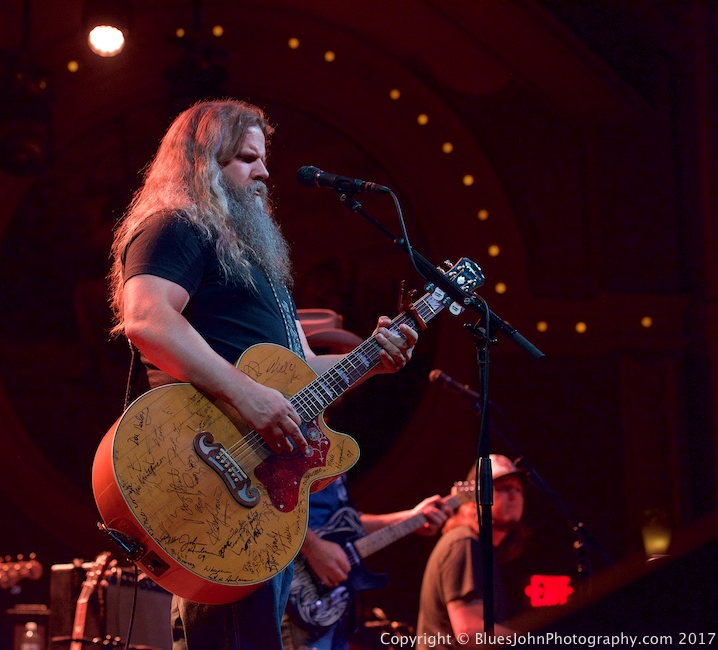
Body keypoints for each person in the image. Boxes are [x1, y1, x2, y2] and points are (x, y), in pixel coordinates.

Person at [108, 98, 420, 650]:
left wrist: (375, 358)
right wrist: (249, 397)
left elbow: (304, 377)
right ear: (203, 162)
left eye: (265, 159)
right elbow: (146, 318)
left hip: (261, 486)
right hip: (207, 464)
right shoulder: (176, 226)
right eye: (248, 158)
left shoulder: (259, 263)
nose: (265, 173)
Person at [282, 473, 452, 650]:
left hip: (331, 606)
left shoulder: (333, 460)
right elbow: (266, 504)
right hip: (290, 595)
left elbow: (349, 524)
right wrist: (311, 546)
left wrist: (410, 519)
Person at [415, 455, 530, 649]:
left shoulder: (480, 549)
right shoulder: (464, 543)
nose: (513, 495)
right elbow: (470, 632)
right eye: (503, 487)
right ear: (474, 499)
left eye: (518, 489)